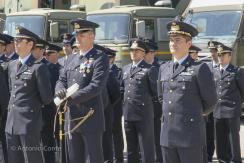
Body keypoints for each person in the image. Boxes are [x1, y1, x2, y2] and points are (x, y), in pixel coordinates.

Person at [158, 20, 217, 163]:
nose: (173, 43)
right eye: (171, 40)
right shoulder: (163, 68)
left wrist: (194, 114)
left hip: (189, 136)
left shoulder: (199, 68)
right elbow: (161, 97)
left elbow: (210, 101)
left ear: (188, 44)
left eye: (178, 40)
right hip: (168, 136)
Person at [55, 19, 109, 163]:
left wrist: (69, 99)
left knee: (93, 158)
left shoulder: (100, 58)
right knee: (74, 158)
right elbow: (61, 80)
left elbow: (96, 86)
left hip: (90, 116)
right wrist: (60, 92)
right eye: (76, 34)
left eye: (82, 34)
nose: (77, 37)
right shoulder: (70, 59)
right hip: (72, 118)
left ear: (92, 36)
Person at [5, 26, 52, 163]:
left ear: (30, 44)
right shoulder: (12, 65)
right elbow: (12, 91)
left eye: (20, 41)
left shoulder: (38, 67)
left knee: (32, 159)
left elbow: (47, 98)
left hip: (28, 123)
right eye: (15, 40)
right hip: (12, 122)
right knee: (14, 159)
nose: (16, 44)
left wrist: (30, 108)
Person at [121, 39, 157, 163]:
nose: (133, 52)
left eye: (137, 50)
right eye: (131, 50)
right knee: (131, 150)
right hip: (128, 114)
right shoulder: (125, 69)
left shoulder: (149, 69)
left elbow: (156, 94)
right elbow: (122, 90)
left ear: (143, 53)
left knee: (146, 149)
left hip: (143, 116)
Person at [213, 43, 244, 163]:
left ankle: (235, 160)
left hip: (232, 110)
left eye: (223, 55)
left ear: (229, 56)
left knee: (233, 139)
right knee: (219, 139)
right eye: (219, 55)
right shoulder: (214, 71)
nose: (220, 57)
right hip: (217, 111)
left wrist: (237, 105)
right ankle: (222, 160)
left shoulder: (237, 71)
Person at [144, 38, 164, 163]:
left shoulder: (162, 67)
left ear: (154, 53)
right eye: (144, 52)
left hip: (157, 108)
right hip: (143, 109)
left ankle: (160, 159)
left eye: (148, 52)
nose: (145, 54)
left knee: (158, 136)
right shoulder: (139, 66)